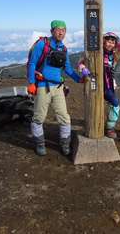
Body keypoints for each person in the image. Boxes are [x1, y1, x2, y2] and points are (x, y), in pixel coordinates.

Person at [27, 20, 90, 157]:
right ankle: (39, 144)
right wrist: (31, 83)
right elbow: (32, 63)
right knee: (39, 117)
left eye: (63, 30)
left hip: (58, 87)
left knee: (64, 117)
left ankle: (65, 144)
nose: (61, 32)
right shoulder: (42, 44)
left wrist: (78, 79)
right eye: (58, 29)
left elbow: (66, 68)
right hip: (43, 86)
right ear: (51, 31)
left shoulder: (63, 48)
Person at [77, 24, 120, 138]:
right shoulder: (94, 53)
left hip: (107, 85)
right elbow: (80, 63)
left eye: (112, 42)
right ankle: (93, 126)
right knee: (94, 105)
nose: (110, 44)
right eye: (108, 41)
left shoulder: (113, 56)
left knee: (114, 101)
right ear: (103, 41)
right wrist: (83, 68)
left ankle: (110, 126)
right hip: (94, 83)